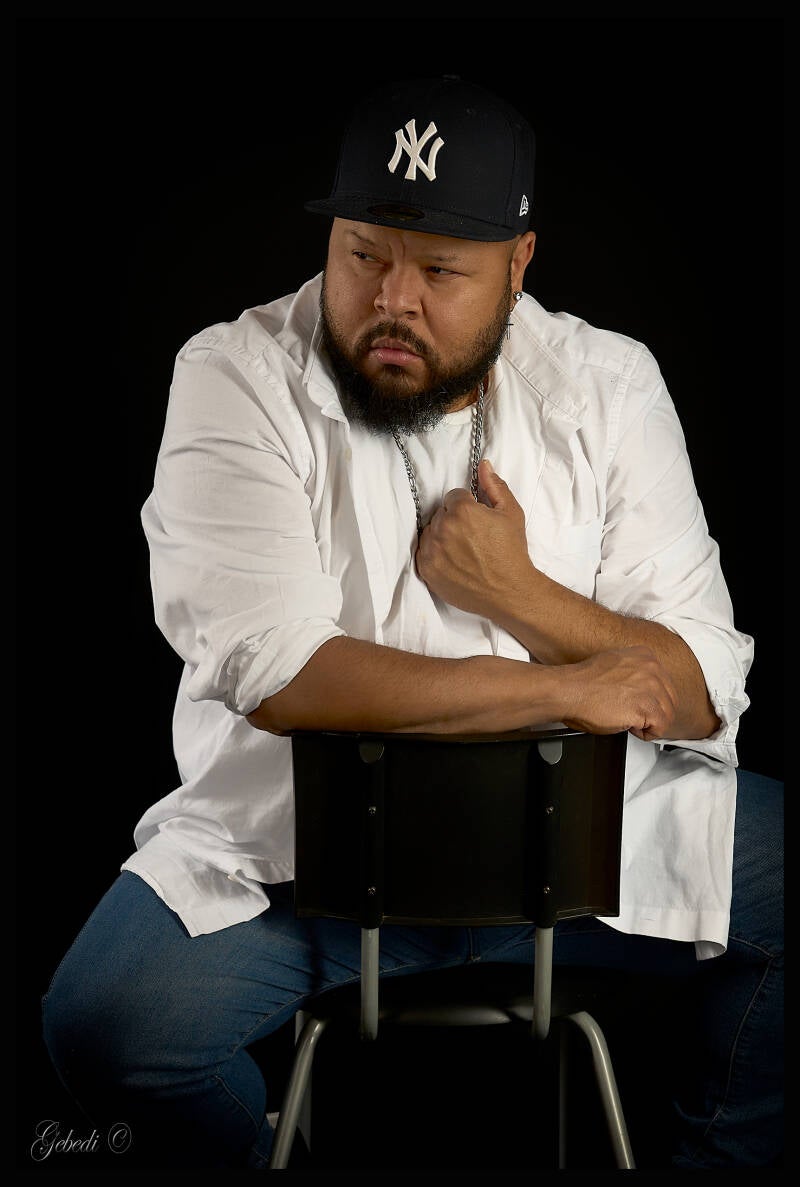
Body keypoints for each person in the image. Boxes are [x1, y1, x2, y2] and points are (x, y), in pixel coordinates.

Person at [41, 75, 782, 1171]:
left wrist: (518, 594)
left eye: (439, 270)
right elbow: (284, 672)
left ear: (518, 264)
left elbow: (699, 686)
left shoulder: (607, 384)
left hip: (588, 844)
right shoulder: (236, 373)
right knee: (105, 1022)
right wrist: (564, 687)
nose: (393, 298)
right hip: (302, 865)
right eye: (363, 253)